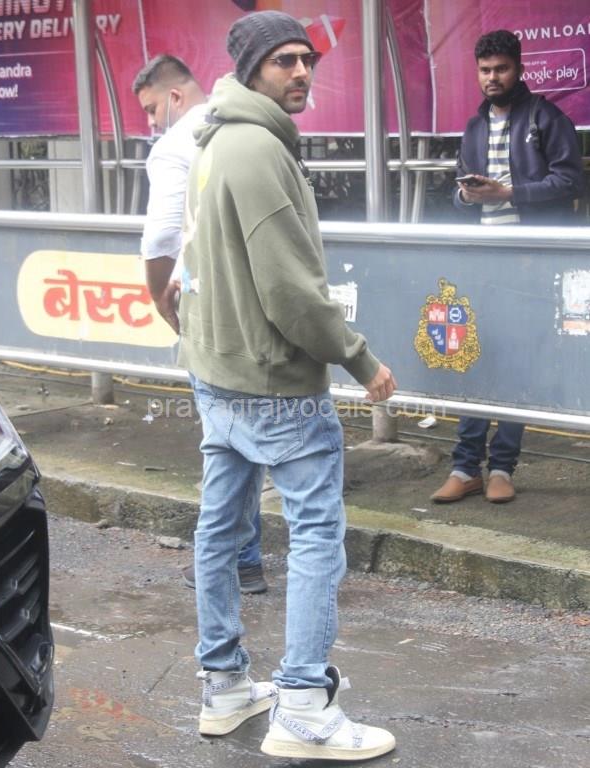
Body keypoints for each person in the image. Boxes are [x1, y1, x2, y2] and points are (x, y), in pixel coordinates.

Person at [180, 10, 398, 760]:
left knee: (219, 529)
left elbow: (193, 263)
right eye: (284, 61)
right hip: (273, 384)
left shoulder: (213, 140)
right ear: (251, 69)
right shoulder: (256, 149)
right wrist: (361, 361)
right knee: (315, 536)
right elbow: (293, 293)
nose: (302, 71)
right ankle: (303, 705)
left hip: (219, 373)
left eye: (307, 58)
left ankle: (224, 686)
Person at [431, 29, 584, 505]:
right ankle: (465, 467)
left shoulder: (547, 118)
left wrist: (509, 193)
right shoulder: (474, 127)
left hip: (530, 260)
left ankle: (501, 467)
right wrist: (466, 195)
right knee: (475, 358)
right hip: (484, 257)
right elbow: (459, 197)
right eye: (485, 70)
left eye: (501, 68)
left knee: (517, 362)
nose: (492, 77)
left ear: (518, 69)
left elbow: (571, 182)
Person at [132, 55, 267, 594]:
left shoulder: (175, 145)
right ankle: (243, 556)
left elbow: (162, 234)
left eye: (151, 109)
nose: (151, 123)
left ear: (175, 97)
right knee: (248, 435)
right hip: (258, 304)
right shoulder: (249, 123)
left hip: (210, 309)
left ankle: (231, 562)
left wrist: (159, 297)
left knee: (225, 440)